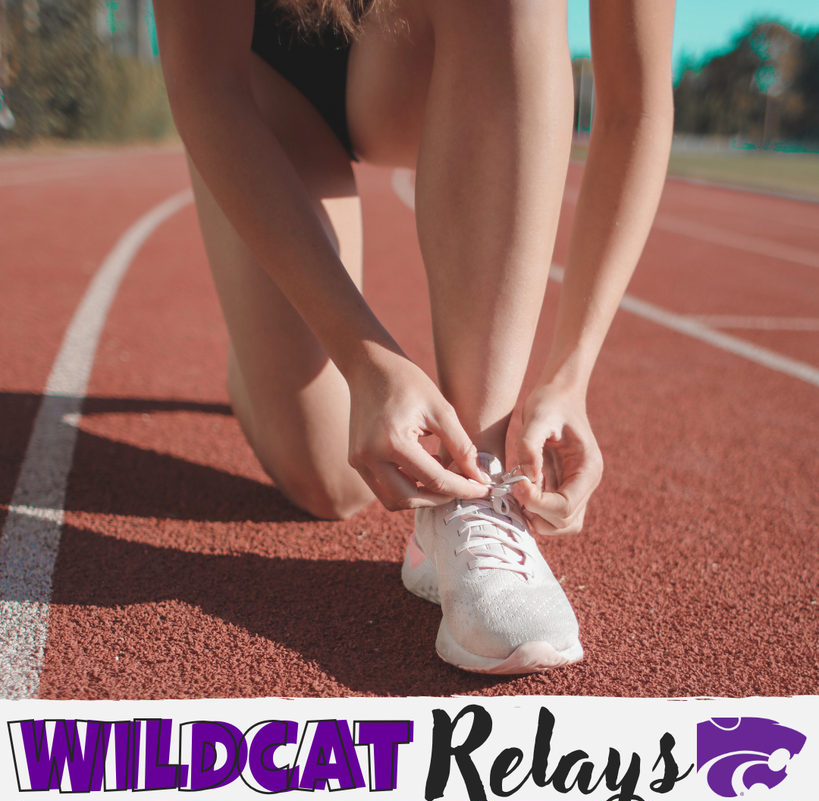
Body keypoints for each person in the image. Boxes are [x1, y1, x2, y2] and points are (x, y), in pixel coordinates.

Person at [152, 0, 675, 674]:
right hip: (263, 73)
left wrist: (571, 374)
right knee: (331, 483)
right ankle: (254, 360)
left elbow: (636, 105)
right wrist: (363, 358)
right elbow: (203, 81)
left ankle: (475, 488)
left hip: (417, 56)